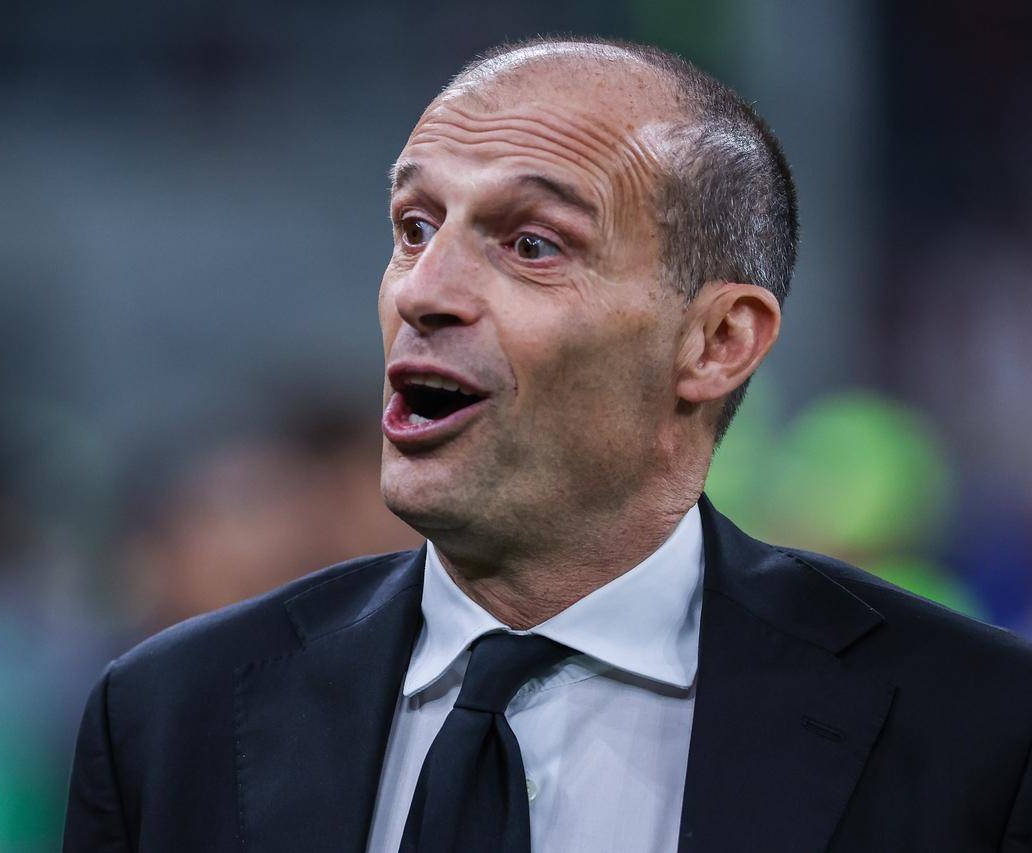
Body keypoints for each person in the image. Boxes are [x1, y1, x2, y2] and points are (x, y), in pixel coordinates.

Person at [62, 37, 1032, 852]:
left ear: (716, 341)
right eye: (413, 227)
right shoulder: (167, 716)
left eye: (531, 244)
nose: (421, 291)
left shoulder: (978, 731)